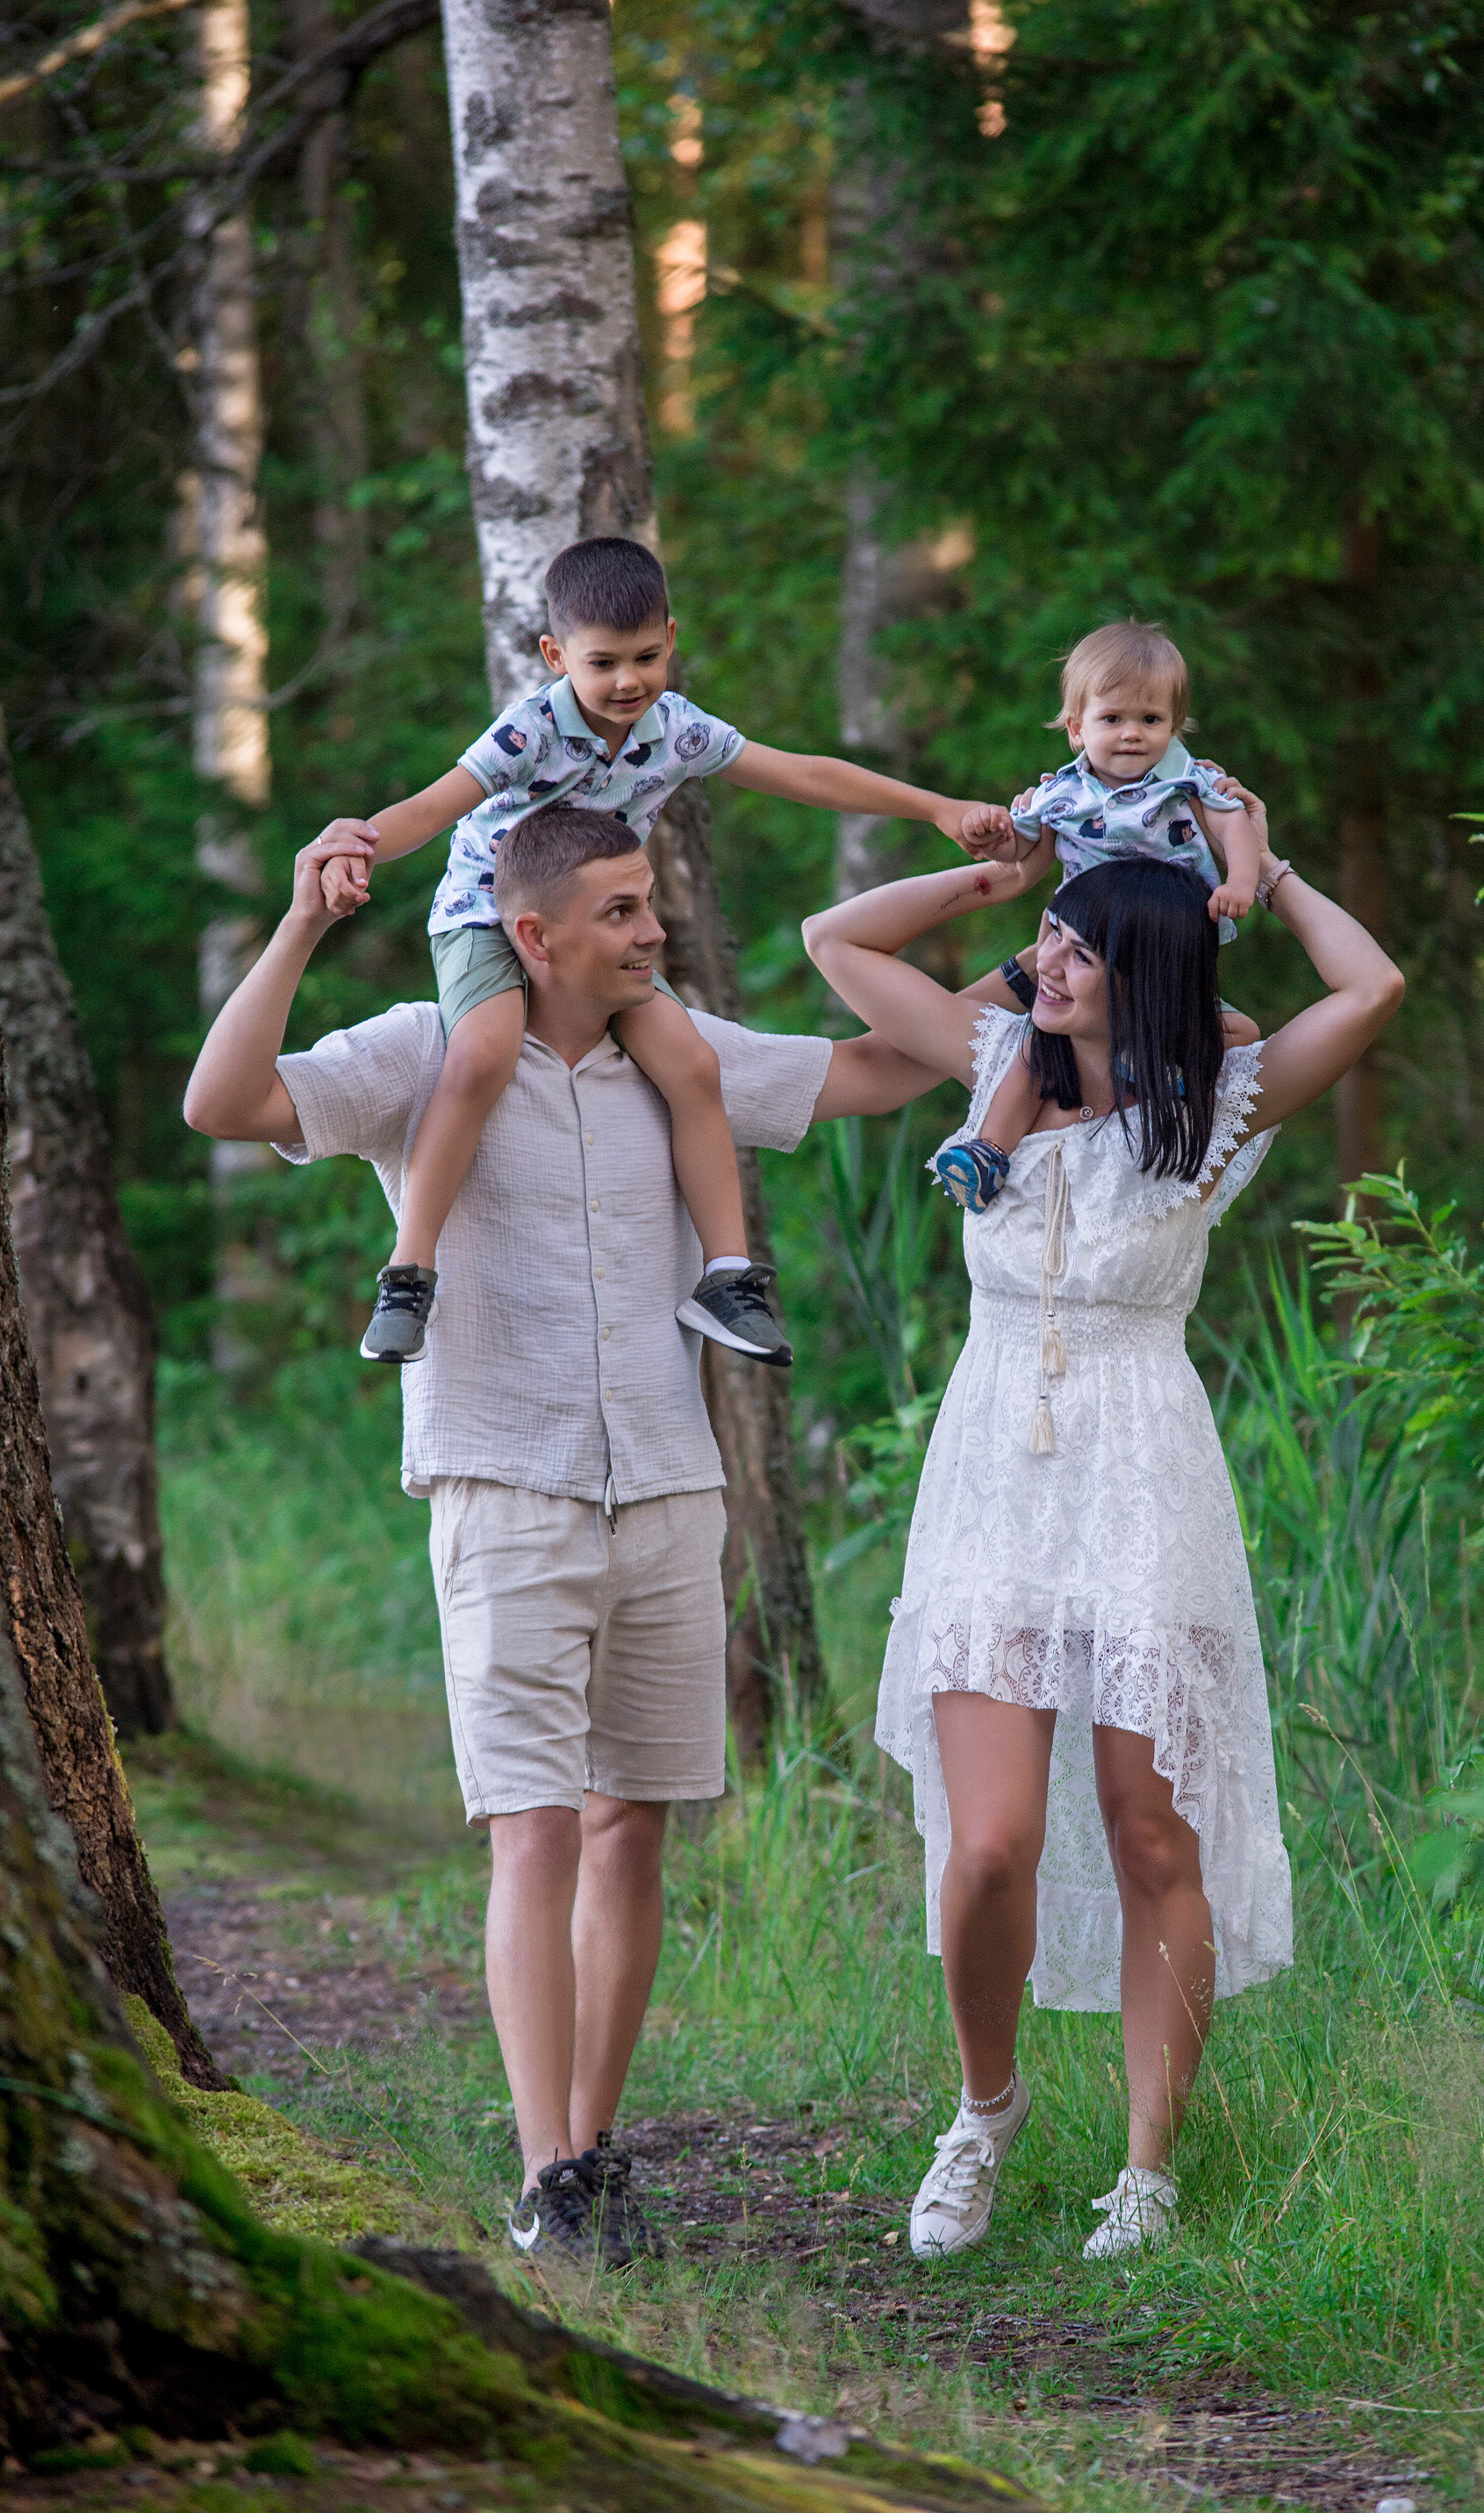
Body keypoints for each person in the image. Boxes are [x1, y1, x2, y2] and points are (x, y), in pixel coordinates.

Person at [183, 802, 949, 2271]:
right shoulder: (427, 1049)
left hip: (667, 1489)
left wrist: (1049, 982)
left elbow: (874, 1068)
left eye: (649, 903)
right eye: (619, 911)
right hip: (502, 1484)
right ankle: (545, 2174)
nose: (652, 931)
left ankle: (594, 2151)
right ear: (531, 935)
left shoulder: (680, 1049)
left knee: (632, 1833)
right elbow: (225, 1105)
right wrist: (301, 924)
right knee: (532, 1832)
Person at [800, 794, 1402, 2262]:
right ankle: (983, 2112)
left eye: (1077, 949)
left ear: (1150, 974)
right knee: (990, 1843)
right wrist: (999, 882)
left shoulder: (1218, 1108)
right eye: (1045, 943)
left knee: (1152, 1835)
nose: (1045, 963)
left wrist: (1258, 872)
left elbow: (1372, 990)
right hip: (995, 1477)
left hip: (1144, 1477)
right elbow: (834, 939)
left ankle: (1147, 2175)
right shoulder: (993, 1056)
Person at [309, 535, 1007, 1370]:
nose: (628, 681)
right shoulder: (529, 730)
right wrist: (357, 845)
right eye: (603, 663)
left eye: (647, 657)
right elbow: (432, 808)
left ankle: (727, 1275)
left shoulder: (676, 731)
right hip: (491, 915)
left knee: (692, 1064)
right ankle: (410, 1271)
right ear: (554, 654)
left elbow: (807, 775)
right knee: (482, 1056)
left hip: (598, 935)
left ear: (672, 639)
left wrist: (935, 808)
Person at [937, 621, 1260, 1215]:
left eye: (1151, 719)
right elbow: (1021, 853)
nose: (1133, 734)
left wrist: (1242, 880)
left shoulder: (1189, 778)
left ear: (1174, 726)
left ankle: (1169, 1076)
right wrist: (995, 838)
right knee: (1039, 1049)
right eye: (1113, 719)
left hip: (1162, 954)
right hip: (1088, 951)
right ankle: (986, 1149)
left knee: (1238, 1033)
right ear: (1075, 728)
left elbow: (1232, 823)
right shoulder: (1058, 795)